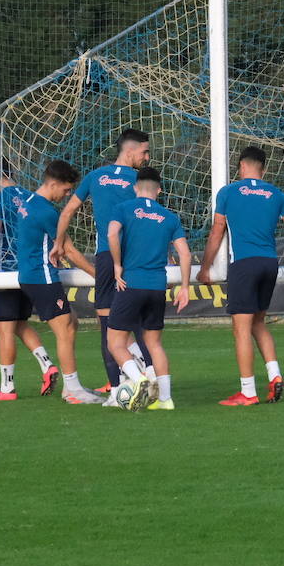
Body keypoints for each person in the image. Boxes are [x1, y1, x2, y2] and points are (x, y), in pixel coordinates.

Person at [197, 146, 284, 406]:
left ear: (241, 166)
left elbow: (217, 230)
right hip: (269, 264)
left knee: (240, 329)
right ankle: (275, 376)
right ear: (263, 169)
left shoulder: (228, 192)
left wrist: (205, 267)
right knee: (258, 323)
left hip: (244, 264)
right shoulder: (275, 194)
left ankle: (248, 392)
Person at [51, 127, 152, 394]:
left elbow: (68, 211)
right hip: (136, 257)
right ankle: (150, 376)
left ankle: (118, 386)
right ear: (129, 151)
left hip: (107, 256)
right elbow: (151, 216)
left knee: (107, 322)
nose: (147, 157)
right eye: (144, 151)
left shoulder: (95, 176)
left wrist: (58, 243)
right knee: (140, 320)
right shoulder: (140, 180)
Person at [16, 159, 102, 404]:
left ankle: (72, 386)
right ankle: (72, 390)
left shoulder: (28, 202)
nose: (67, 195)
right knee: (65, 329)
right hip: (42, 278)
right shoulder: (46, 211)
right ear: (53, 183)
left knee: (71, 323)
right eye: (66, 190)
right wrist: (99, 276)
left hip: (34, 276)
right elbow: (71, 251)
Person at [107, 167, 192, 411]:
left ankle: (139, 379)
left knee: (115, 342)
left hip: (131, 283)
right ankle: (165, 400)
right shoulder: (169, 217)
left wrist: (116, 264)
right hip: (157, 286)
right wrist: (184, 287)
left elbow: (112, 234)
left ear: (135, 187)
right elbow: (184, 254)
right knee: (154, 343)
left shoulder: (123, 208)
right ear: (159, 190)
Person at [0, 159, 59, 401]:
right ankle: (47, 365)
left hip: (5, 269)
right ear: (12, 172)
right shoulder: (30, 197)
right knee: (18, 324)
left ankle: (7, 388)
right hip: (30, 269)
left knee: (4, 328)